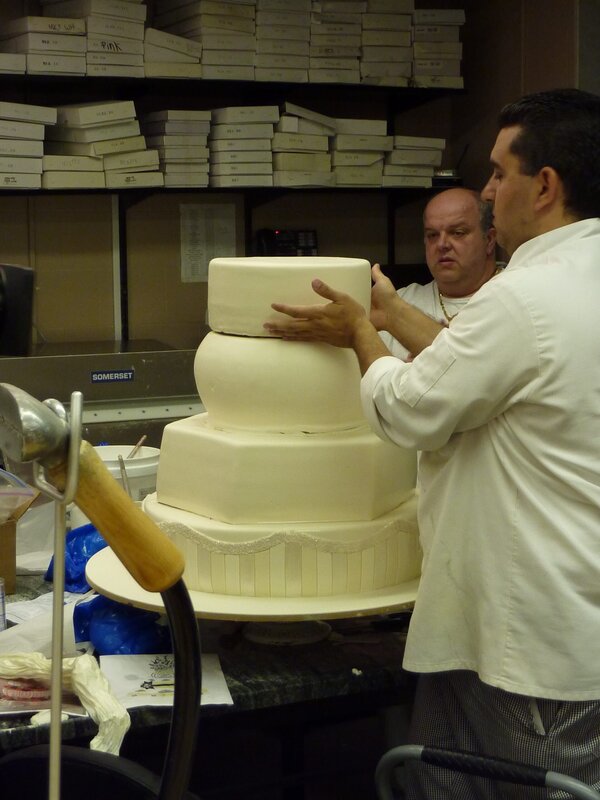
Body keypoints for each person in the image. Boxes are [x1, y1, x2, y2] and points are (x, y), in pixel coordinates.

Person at [264, 87, 600, 797]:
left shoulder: (523, 296)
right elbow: (473, 369)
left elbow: (410, 407)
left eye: (498, 173)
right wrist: (387, 316)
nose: (488, 192)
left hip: (530, 648)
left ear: (544, 186)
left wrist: (362, 331)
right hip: (551, 622)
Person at [376, 187, 499, 360]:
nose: (442, 244)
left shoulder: (511, 298)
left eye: (457, 233)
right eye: (432, 235)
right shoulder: (398, 301)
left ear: (489, 240)